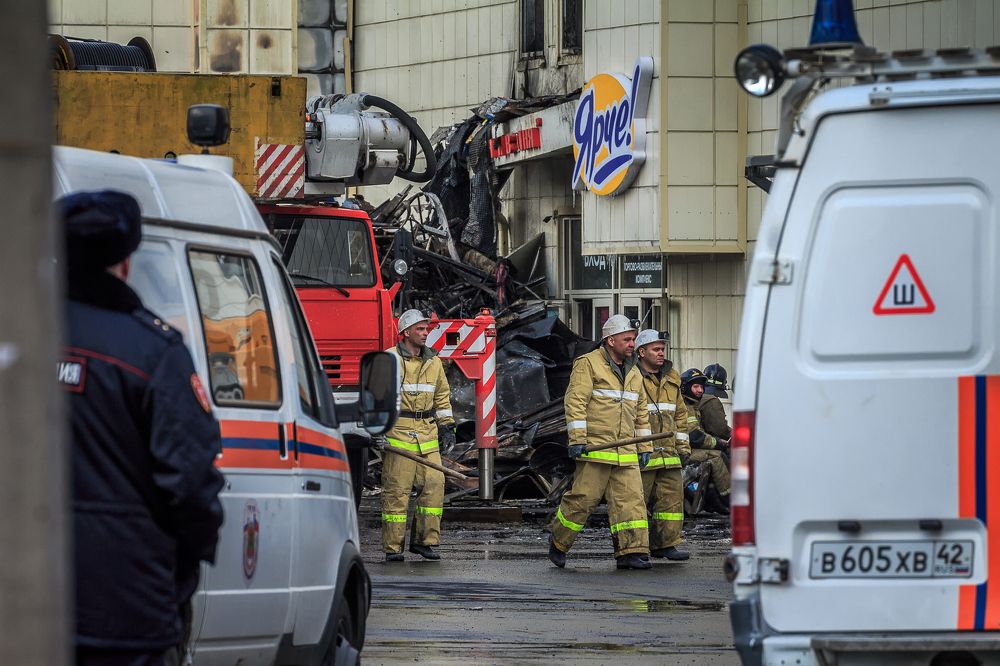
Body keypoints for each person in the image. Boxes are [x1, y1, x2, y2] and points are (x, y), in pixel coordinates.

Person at [60, 190, 225, 666]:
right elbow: (191, 481)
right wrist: (188, 559)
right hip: (126, 608)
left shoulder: (18, 343)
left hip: (25, 603)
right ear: (126, 262)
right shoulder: (153, 352)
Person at [549, 314, 653, 570]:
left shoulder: (635, 372)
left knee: (631, 503)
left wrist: (645, 447)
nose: (632, 344)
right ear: (610, 341)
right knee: (583, 500)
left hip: (626, 450)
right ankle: (559, 542)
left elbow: (641, 413)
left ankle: (631, 551)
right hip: (597, 449)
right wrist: (578, 439)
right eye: (627, 339)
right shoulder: (588, 364)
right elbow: (575, 402)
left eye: (633, 339)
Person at [382, 309, 456, 561]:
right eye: (420, 329)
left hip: (427, 434)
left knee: (435, 485)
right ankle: (393, 548)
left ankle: (424, 542)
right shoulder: (389, 359)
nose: (425, 334)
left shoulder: (434, 362)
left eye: (426, 329)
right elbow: (376, 396)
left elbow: (442, 397)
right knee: (397, 492)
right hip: (398, 435)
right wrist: (374, 429)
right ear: (405, 333)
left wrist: (447, 426)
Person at [634, 330, 691, 561]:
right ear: (641, 352)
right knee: (635, 505)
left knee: (671, 501)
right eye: (656, 349)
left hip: (669, 453)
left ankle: (666, 545)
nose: (661, 353)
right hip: (642, 452)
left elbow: (680, 415)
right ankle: (635, 549)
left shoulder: (672, 377)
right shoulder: (631, 376)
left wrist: (683, 447)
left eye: (662, 349)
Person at [681, 368, 731, 511]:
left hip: (686, 448)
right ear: (684, 387)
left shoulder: (692, 405)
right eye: (695, 386)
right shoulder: (686, 407)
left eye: (702, 386)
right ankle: (727, 500)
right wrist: (718, 442)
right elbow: (694, 436)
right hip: (681, 451)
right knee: (717, 457)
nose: (700, 390)